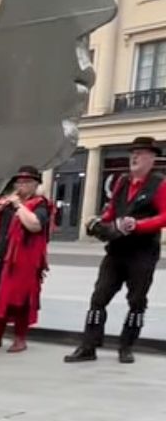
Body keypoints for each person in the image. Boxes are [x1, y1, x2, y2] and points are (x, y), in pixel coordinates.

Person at [66, 136, 166, 365]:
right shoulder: (122, 181)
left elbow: (164, 215)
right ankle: (88, 346)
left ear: (152, 158)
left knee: (137, 301)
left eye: (140, 153)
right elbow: (111, 211)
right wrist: (99, 222)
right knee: (99, 296)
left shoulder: (159, 183)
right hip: (117, 250)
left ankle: (126, 347)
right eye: (133, 152)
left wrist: (137, 225)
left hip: (142, 252)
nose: (135, 156)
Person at [0, 166, 52, 353]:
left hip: (22, 262)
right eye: (19, 182)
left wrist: (19, 205)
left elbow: (34, 225)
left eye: (26, 182)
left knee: (21, 301)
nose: (21, 186)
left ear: (35, 185)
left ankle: (20, 338)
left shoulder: (41, 204)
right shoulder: (6, 203)